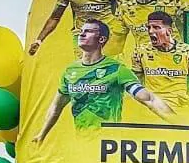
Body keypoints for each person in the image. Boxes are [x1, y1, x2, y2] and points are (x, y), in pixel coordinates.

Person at [34, 20, 174, 142]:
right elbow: (55, 108)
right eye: (81, 31)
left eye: (88, 31)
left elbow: (149, 99)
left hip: (108, 144)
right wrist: (41, 135)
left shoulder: (116, 69)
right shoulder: (70, 71)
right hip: (81, 143)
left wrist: (178, 121)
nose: (82, 34)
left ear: (101, 39)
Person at [131, 12, 189, 113]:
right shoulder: (140, 52)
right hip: (150, 110)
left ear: (169, 31)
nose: (150, 31)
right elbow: (135, 84)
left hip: (179, 111)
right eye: (148, 27)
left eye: (156, 27)